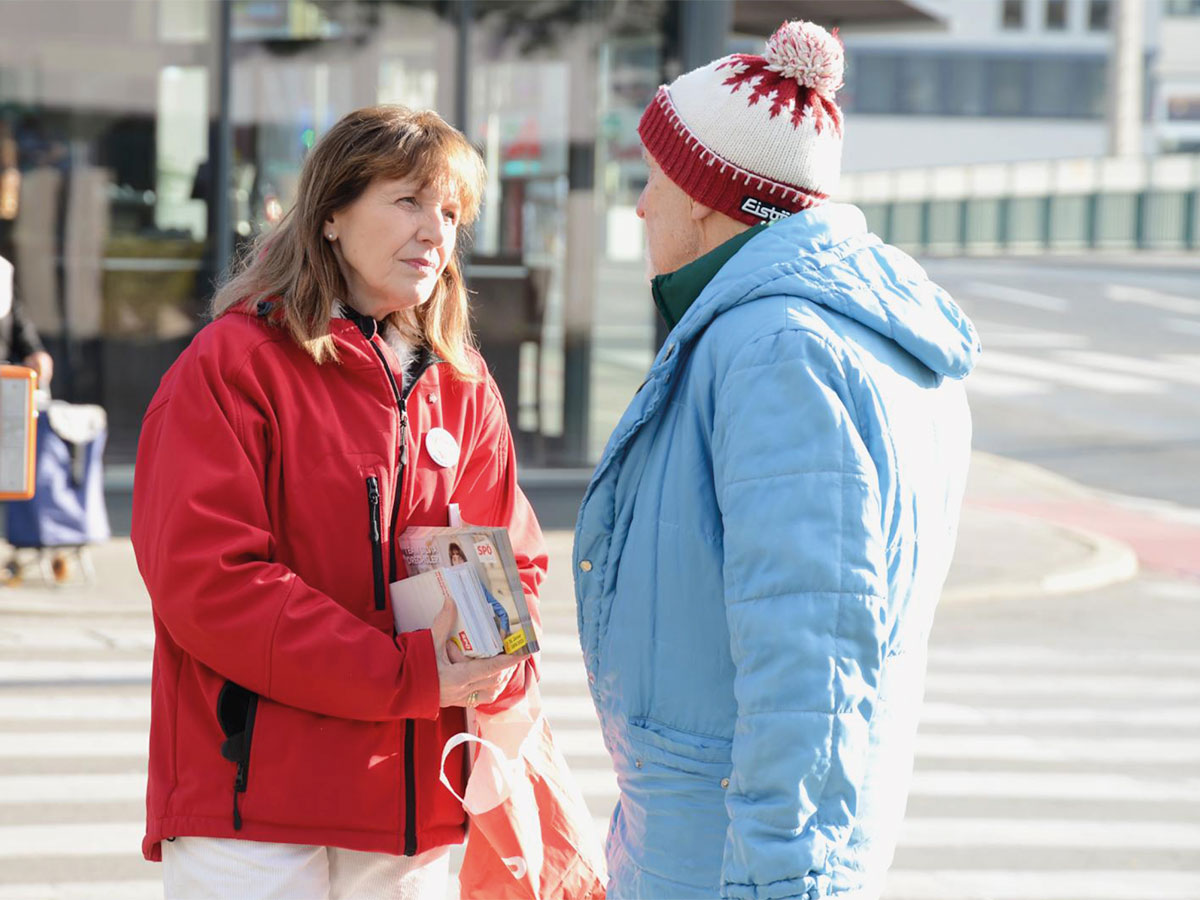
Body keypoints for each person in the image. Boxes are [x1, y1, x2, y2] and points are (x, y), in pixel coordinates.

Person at [573, 20, 980, 900]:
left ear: (712, 199)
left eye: (654, 179)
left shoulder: (775, 348)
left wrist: (776, 880)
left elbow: (809, 656)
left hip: (727, 864)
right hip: (733, 842)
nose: (640, 206)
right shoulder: (847, 328)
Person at [131, 105, 548, 899]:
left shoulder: (463, 387)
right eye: (408, 201)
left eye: (451, 212)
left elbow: (514, 558)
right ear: (329, 214)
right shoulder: (233, 366)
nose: (435, 230)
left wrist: (493, 649)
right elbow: (211, 584)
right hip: (250, 806)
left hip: (408, 808)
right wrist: (406, 671)